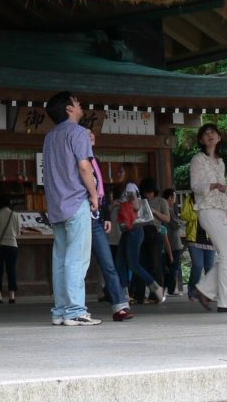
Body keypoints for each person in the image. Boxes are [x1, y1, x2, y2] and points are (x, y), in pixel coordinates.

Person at [41, 91, 102, 327]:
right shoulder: (77, 132)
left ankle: (60, 310)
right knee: (77, 258)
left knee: (60, 258)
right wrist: (94, 195)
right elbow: (85, 167)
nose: (80, 105)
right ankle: (76, 311)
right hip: (76, 201)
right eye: (77, 102)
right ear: (69, 109)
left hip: (56, 204)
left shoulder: (50, 137)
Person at [189, 123, 227, 312]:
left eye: (213, 133)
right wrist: (213, 185)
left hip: (220, 209)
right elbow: (195, 186)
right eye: (205, 134)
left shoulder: (221, 162)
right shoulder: (198, 159)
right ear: (201, 140)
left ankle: (204, 289)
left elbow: (225, 191)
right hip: (207, 210)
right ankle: (226, 302)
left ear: (219, 137)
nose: (210, 136)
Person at [87, 130, 132, 321]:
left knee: (108, 263)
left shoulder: (94, 160)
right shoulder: (74, 158)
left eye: (91, 135)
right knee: (77, 265)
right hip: (80, 216)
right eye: (86, 135)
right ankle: (73, 307)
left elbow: (100, 190)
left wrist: (105, 215)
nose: (90, 137)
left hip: (96, 217)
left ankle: (119, 306)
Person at [117, 181, 161, 304]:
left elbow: (136, 206)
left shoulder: (130, 187)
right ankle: (124, 293)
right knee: (121, 262)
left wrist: (121, 202)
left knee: (133, 264)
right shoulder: (128, 189)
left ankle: (155, 286)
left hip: (134, 230)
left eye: (121, 171)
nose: (118, 174)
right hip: (128, 230)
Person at [0, 193, 21, 304]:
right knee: (11, 270)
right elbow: (18, 232)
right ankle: (11, 295)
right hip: (12, 245)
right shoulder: (15, 215)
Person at [161, 188, 184, 296]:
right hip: (174, 242)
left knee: (169, 267)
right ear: (170, 198)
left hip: (168, 242)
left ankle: (167, 288)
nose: (174, 200)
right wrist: (180, 222)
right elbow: (176, 224)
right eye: (174, 197)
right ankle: (170, 289)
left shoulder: (163, 209)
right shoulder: (169, 210)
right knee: (174, 267)